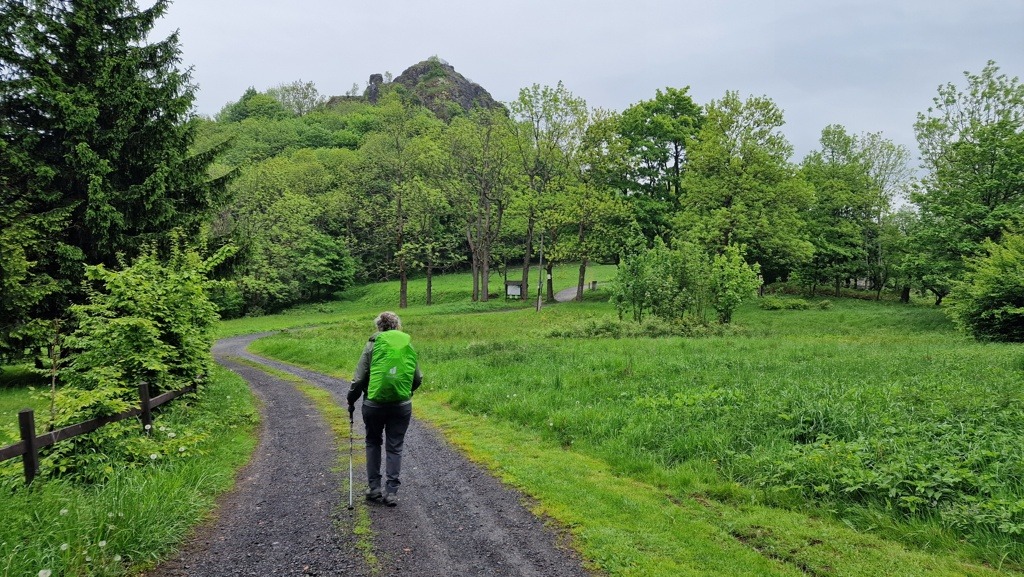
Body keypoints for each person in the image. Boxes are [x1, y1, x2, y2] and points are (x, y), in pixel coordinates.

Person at [347, 311, 422, 507]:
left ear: (379, 326)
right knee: (395, 445)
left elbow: (359, 378)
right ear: (397, 326)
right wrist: (405, 392)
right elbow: (417, 378)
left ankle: (374, 489)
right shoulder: (407, 344)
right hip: (402, 405)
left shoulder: (372, 344)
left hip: (373, 404)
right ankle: (391, 492)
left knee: (373, 442)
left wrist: (351, 399)